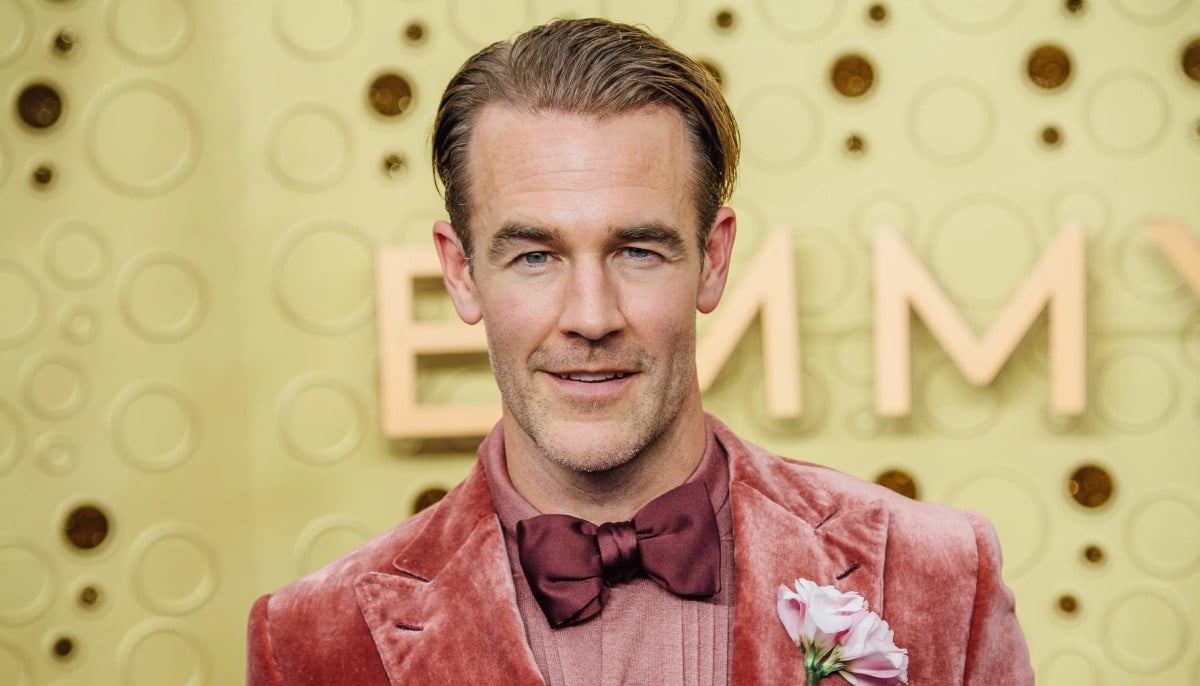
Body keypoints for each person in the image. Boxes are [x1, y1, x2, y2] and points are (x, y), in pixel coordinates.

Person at [246, 18, 1033, 685]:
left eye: (637, 251)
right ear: (461, 272)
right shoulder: (314, 639)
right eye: (535, 256)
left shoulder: (939, 576)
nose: (591, 318)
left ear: (713, 259)